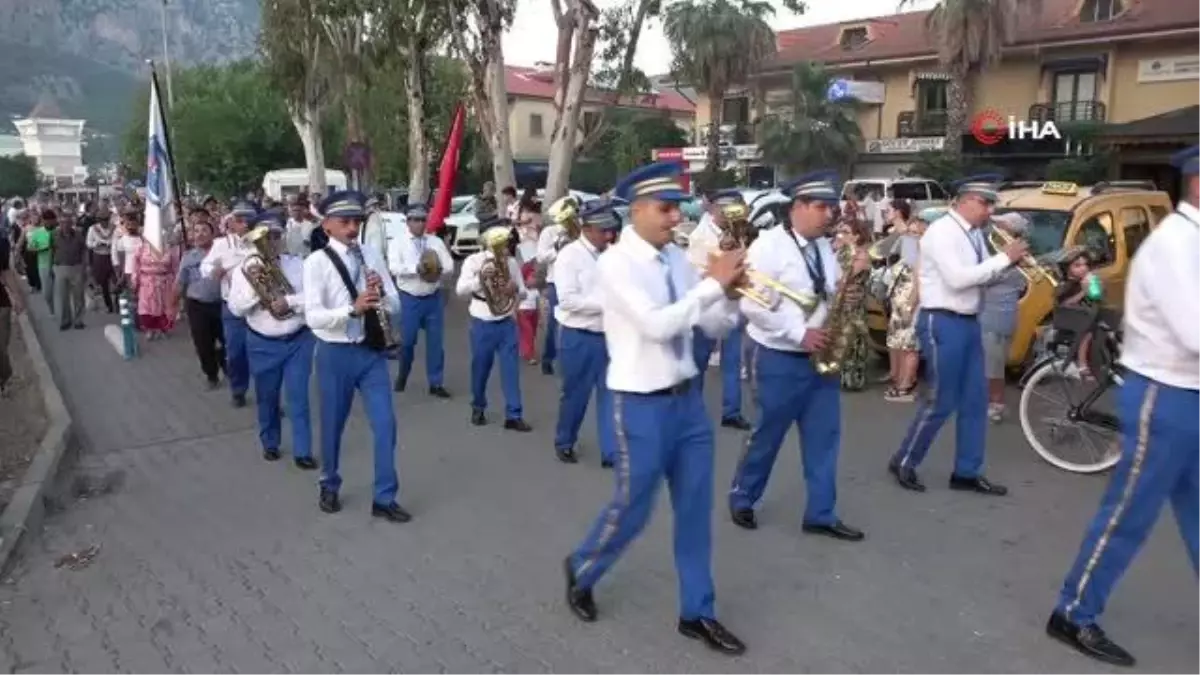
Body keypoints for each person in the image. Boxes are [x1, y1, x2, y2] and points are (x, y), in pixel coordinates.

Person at [563, 161, 747, 656]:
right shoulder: (614, 264)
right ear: (638, 210)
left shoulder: (677, 260)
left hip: (687, 404)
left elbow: (713, 327)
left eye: (678, 208)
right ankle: (583, 568)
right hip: (640, 404)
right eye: (665, 209)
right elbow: (656, 325)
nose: (674, 218)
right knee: (634, 507)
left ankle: (698, 613)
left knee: (694, 511)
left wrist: (729, 297)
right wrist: (713, 285)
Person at [1045, 144, 1200, 668]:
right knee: (1130, 512)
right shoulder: (1177, 245)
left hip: (1188, 395)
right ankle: (1073, 611)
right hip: (1165, 395)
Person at [727, 171, 867, 541]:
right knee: (767, 434)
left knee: (824, 438)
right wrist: (797, 332)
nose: (828, 214)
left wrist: (847, 294)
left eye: (830, 207)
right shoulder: (768, 248)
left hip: (819, 356)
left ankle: (821, 513)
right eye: (820, 206)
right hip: (778, 357)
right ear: (797, 207)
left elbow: (829, 290)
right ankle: (743, 496)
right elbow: (752, 306)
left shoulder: (823, 246)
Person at [887, 176, 1027, 494]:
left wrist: (1005, 264)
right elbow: (958, 279)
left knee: (975, 400)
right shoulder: (942, 233)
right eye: (984, 203)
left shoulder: (974, 233)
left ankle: (966, 471)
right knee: (941, 399)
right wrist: (1005, 258)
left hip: (967, 320)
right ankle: (905, 460)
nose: (989, 211)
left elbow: (980, 277)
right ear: (964, 201)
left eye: (992, 204)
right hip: (942, 320)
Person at [302, 190, 410, 523]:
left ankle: (384, 497)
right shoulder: (316, 262)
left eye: (356, 222)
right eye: (345, 222)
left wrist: (380, 298)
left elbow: (396, 302)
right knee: (333, 425)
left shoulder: (371, 254)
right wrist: (352, 308)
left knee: (386, 424)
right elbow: (313, 317)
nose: (352, 229)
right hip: (334, 353)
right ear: (328, 226)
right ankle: (329, 482)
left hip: (369, 352)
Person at [228, 212, 317, 469]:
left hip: (298, 339)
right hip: (262, 343)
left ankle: (303, 451)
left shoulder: (298, 265)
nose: (271, 242)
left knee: (298, 397)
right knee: (267, 397)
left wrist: (289, 301)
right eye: (265, 237)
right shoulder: (244, 270)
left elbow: (312, 297)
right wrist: (261, 291)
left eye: (276, 236)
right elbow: (236, 309)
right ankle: (270, 443)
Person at [551, 203, 620, 466]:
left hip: (609, 335)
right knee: (575, 395)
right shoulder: (569, 256)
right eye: (603, 231)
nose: (608, 236)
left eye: (610, 231)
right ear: (588, 229)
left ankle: (611, 451)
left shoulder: (611, 255)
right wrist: (606, 305)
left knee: (611, 394)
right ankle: (565, 440)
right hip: (578, 336)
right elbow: (567, 300)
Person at [456, 218, 533, 431]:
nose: (505, 245)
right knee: (481, 368)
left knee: (511, 369)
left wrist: (514, 288)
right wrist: (481, 281)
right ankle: (478, 406)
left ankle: (514, 414)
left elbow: (524, 291)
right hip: (482, 321)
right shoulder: (474, 261)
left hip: (506, 320)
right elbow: (460, 290)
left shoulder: (510, 262)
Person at [686, 189, 750, 430]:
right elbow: (694, 274)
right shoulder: (699, 237)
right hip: (708, 309)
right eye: (727, 210)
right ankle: (692, 411)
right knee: (699, 363)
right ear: (714, 210)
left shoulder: (736, 232)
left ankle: (731, 412)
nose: (731, 215)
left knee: (732, 362)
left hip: (732, 305)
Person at [387, 203, 454, 397]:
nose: (419, 224)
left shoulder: (435, 242)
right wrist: (416, 269)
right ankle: (403, 373)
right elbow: (394, 268)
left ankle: (436, 383)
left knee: (436, 343)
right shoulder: (397, 242)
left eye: (423, 220)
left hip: (433, 297)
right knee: (407, 342)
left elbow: (449, 265)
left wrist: (437, 268)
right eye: (415, 220)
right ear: (407, 222)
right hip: (410, 298)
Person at [201, 201, 258, 407]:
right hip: (232, 307)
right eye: (240, 220)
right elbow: (205, 266)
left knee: (263, 353)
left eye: (248, 221)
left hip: (260, 307)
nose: (244, 225)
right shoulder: (221, 244)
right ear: (232, 223)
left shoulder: (261, 241)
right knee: (235, 351)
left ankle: (269, 398)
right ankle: (238, 389)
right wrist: (213, 271)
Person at [980, 212, 1029, 422]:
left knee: (994, 363)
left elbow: (985, 278)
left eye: (1001, 226)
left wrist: (1002, 262)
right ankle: (988, 401)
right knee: (988, 362)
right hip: (989, 312)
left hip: (998, 315)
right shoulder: (1001, 253)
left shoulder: (1018, 257)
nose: (996, 230)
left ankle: (996, 404)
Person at [884, 205, 929, 402]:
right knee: (901, 345)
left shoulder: (923, 253)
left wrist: (912, 305)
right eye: (910, 232)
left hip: (911, 305)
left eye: (915, 232)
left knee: (910, 346)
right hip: (900, 305)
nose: (911, 236)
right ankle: (901, 381)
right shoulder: (910, 249)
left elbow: (919, 284)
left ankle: (906, 386)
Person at [177, 216, 226, 389]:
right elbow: (180, 282)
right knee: (203, 343)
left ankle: (226, 365)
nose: (200, 234)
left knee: (228, 341)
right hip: (197, 305)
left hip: (222, 304)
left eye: (204, 230)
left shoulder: (222, 253)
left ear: (213, 233)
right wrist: (174, 305)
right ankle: (211, 375)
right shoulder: (188, 257)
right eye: (196, 231)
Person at [830, 217, 872, 392]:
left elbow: (843, 279)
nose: (840, 235)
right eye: (839, 231)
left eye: (845, 232)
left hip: (853, 306)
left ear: (856, 236)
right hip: (839, 304)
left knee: (852, 340)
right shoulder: (839, 253)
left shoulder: (861, 255)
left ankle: (852, 377)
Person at [1055, 246, 1104, 378]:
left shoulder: (1082, 281)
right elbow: (1065, 303)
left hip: (1085, 315)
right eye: (1077, 265)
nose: (1083, 268)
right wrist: (1083, 292)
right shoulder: (1068, 285)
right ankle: (1082, 364)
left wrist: (1096, 288)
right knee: (1086, 334)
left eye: (1085, 265)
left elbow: (1096, 296)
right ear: (1068, 269)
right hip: (1072, 318)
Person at [535, 204, 568, 376]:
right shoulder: (549, 232)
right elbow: (541, 256)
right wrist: (558, 249)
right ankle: (548, 358)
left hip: (578, 280)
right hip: (556, 281)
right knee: (555, 323)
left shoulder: (581, 229)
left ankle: (569, 360)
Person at [131, 224, 180, 340]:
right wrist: (135, 280)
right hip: (147, 282)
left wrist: (176, 284)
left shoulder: (170, 249)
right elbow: (136, 265)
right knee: (147, 307)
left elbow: (176, 267)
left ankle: (163, 329)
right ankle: (150, 329)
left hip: (165, 281)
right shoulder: (141, 248)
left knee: (165, 307)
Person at [0, 226, 25, 398]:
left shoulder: (1, 244)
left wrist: (17, 296)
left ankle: (4, 377)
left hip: (1, 304)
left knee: (1, 346)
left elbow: (6, 272)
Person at [51, 214, 88, 330]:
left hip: (76, 267)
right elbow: (51, 249)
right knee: (63, 296)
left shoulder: (78, 235)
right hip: (60, 267)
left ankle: (78, 320)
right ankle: (65, 320)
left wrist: (85, 265)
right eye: (63, 223)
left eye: (68, 222)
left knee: (78, 296)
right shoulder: (54, 235)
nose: (65, 225)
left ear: (72, 224)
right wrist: (52, 266)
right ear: (59, 224)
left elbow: (84, 249)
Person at [86, 207, 117, 313]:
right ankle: (108, 305)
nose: (105, 222)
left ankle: (117, 303)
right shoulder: (92, 229)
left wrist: (111, 244)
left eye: (106, 219)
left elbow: (117, 241)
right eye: (102, 220)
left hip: (112, 256)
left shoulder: (114, 228)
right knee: (103, 283)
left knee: (116, 280)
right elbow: (89, 243)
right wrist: (97, 244)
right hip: (99, 257)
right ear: (99, 220)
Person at [28, 212, 53, 310]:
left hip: (58, 264)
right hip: (43, 265)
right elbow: (30, 249)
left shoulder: (57, 231)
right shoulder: (37, 233)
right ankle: (52, 307)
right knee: (47, 292)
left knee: (59, 292)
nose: (48, 223)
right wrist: (41, 249)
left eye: (50, 221)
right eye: (46, 221)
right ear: (42, 221)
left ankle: (61, 312)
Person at [516, 261, 540, 363]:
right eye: (531, 278)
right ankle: (530, 356)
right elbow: (516, 302)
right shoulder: (523, 291)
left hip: (533, 314)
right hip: (523, 313)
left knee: (533, 333)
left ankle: (525, 349)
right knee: (528, 333)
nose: (534, 280)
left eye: (535, 278)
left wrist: (541, 317)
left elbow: (538, 304)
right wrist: (514, 313)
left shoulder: (535, 291)